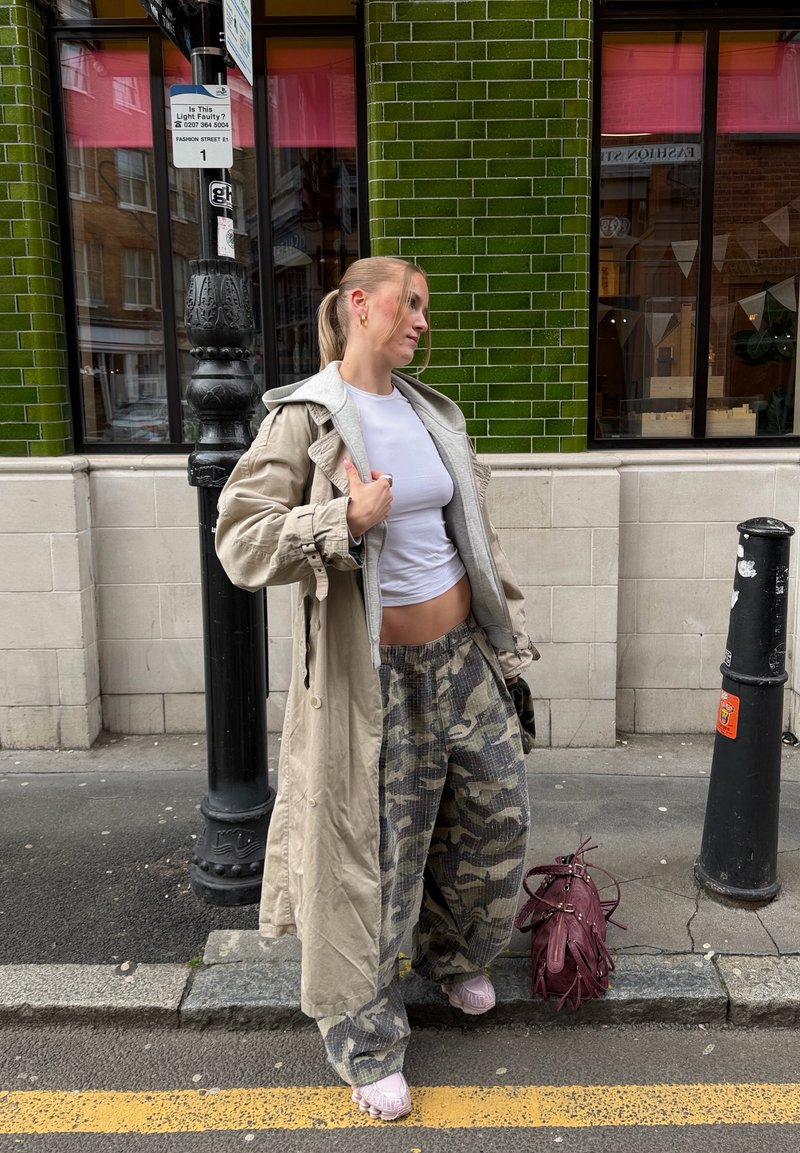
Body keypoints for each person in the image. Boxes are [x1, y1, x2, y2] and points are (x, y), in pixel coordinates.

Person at [214, 256, 538, 1123]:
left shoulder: (429, 411)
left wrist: (500, 640)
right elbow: (240, 541)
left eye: (427, 306)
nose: (423, 320)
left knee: (493, 812)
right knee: (375, 860)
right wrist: (342, 521)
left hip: (462, 658)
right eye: (412, 303)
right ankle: (365, 1041)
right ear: (360, 304)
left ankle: (453, 950)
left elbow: (464, 525)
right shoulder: (307, 415)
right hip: (375, 676)